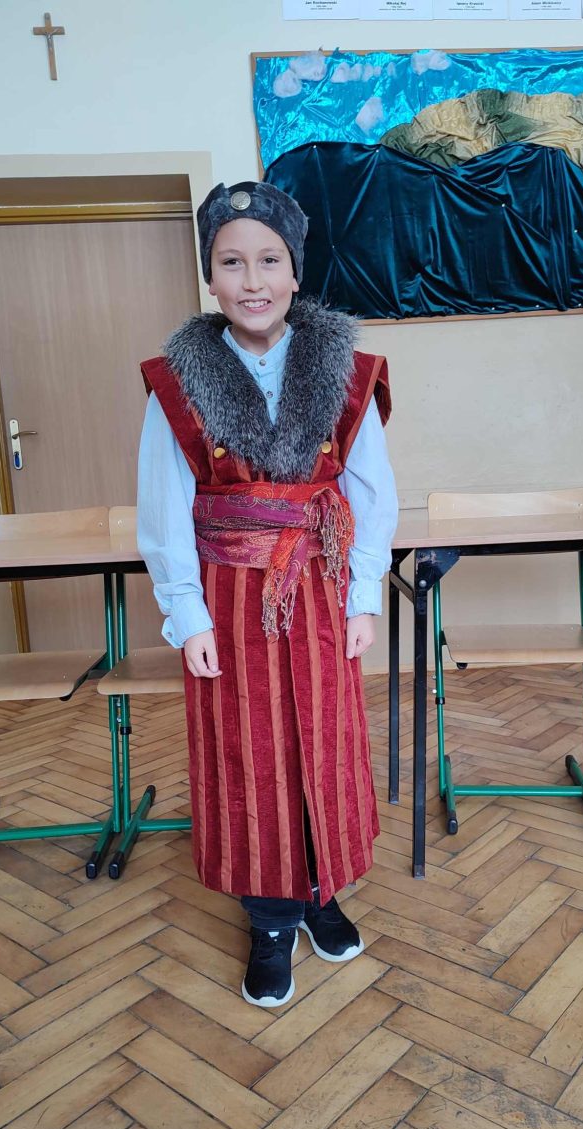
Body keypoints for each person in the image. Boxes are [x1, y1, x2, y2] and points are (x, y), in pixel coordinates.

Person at [137, 179, 398, 1007]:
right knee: (247, 755)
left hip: (319, 585)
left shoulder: (348, 376)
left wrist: (363, 595)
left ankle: (320, 891)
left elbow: (371, 493)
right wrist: (186, 614)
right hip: (225, 595)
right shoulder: (176, 385)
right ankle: (271, 918)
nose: (252, 281)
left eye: (269, 261)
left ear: (295, 271)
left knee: (324, 740)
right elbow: (163, 508)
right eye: (231, 262)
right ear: (209, 275)